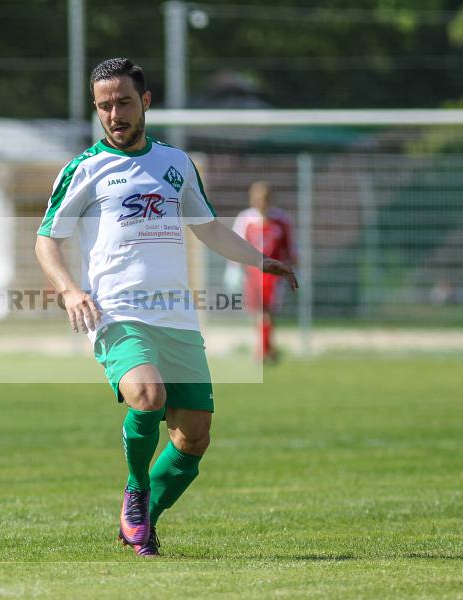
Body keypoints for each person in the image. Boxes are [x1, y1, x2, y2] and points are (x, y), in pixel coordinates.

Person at [35, 58, 297, 557]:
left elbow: (210, 227)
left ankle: (143, 516)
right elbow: (47, 240)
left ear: (146, 102)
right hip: (115, 312)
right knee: (147, 396)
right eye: (104, 105)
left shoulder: (175, 163)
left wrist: (262, 260)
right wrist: (70, 289)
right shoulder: (84, 169)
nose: (114, 113)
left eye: (124, 102)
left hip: (176, 315)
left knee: (194, 435)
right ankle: (136, 492)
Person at [233, 182, 297, 363]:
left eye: (264, 199)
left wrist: (293, 268)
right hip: (252, 274)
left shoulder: (281, 220)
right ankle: (269, 349)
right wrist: (233, 269)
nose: (260, 203)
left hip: (273, 276)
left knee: (267, 313)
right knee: (258, 313)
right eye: (257, 199)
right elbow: (235, 245)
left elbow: (290, 248)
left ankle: (261, 352)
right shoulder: (245, 219)